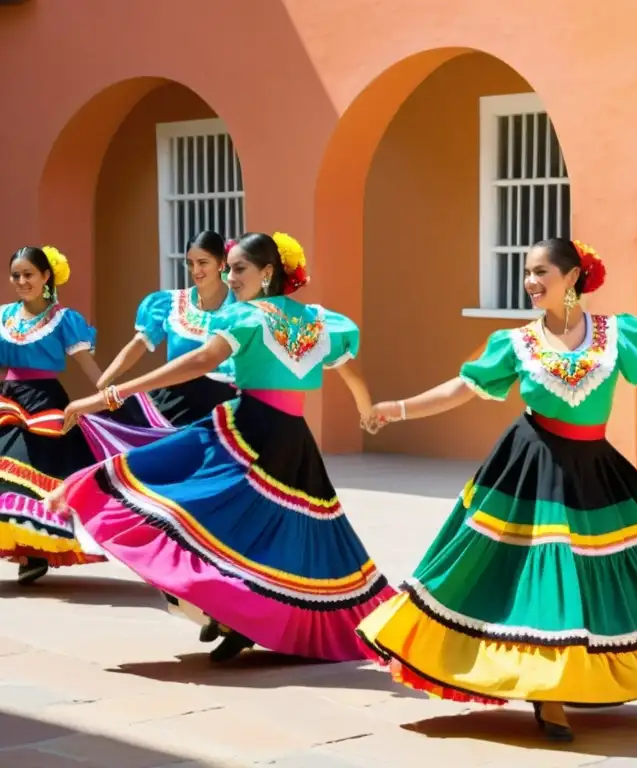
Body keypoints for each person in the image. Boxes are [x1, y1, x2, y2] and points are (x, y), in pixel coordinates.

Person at [356, 237, 637, 743]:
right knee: (540, 574)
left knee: (611, 573)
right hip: (530, 465)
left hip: (594, 467)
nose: (530, 282)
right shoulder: (515, 342)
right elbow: (463, 388)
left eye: (541, 272)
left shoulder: (618, 336)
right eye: (527, 272)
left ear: (572, 277)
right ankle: (548, 695)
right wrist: (399, 408)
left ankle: (571, 680)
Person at [51, 232, 395, 662]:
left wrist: (110, 395)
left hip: (249, 430)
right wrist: (368, 411)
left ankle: (235, 614)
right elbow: (351, 373)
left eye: (239, 268)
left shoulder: (246, 318)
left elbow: (197, 362)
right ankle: (234, 614)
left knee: (207, 511)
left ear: (268, 272)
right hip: (289, 436)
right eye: (228, 268)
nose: (230, 277)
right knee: (255, 529)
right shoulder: (322, 322)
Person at [0, 246, 107, 584]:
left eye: (28, 274)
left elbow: (89, 368)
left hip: (45, 404)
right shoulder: (4, 315)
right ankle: (27, 552)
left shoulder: (64, 319)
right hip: (8, 400)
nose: (21, 281)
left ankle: (33, 552)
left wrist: (115, 395)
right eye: (16, 275)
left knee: (31, 471)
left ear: (46, 277)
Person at [79, 231, 238, 458]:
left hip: (222, 405)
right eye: (190, 263)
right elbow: (137, 346)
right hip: (176, 402)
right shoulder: (170, 304)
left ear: (222, 263)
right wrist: (104, 385)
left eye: (203, 263)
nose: (196, 271)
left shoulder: (241, 307)